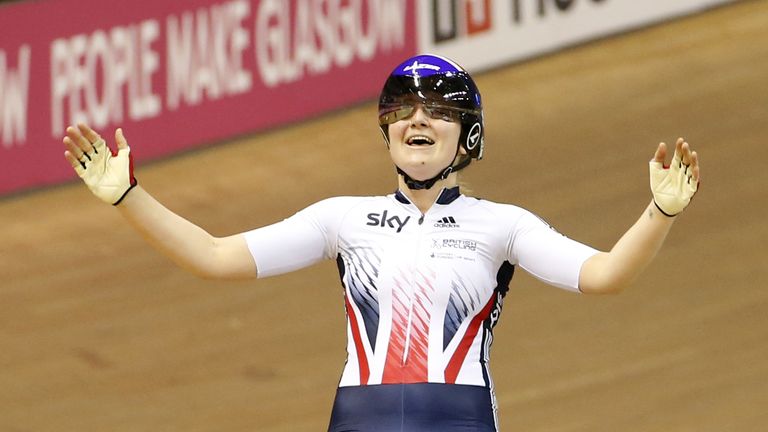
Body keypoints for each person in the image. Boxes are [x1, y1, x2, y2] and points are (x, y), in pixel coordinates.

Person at [62, 54, 700, 431]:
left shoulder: (504, 225)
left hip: (459, 421)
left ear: (466, 138)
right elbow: (213, 256)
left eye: (437, 111)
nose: (417, 119)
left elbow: (606, 274)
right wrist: (127, 197)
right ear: (388, 133)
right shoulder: (342, 219)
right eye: (403, 111)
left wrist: (659, 211)